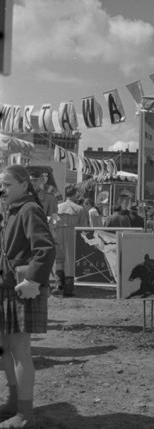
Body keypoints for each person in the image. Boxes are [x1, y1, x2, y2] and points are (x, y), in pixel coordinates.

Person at [0, 165, 56, 428]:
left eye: (8, 184)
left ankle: (24, 415)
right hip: (7, 288)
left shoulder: (29, 209)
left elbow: (45, 249)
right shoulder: (12, 210)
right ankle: (14, 401)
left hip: (22, 289)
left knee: (20, 351)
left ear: (24, 185)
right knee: (7, 350)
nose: (3, 189)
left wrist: (32, 279)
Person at [55, 185, 89, 297]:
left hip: (58, 234)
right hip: (72, 235)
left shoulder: (57, 207)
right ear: (75, 194)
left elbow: (53, 224)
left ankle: (58, 285)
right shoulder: (80, 209)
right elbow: (84, 227)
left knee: (59, 260)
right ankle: (68, 289)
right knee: (70, 262)